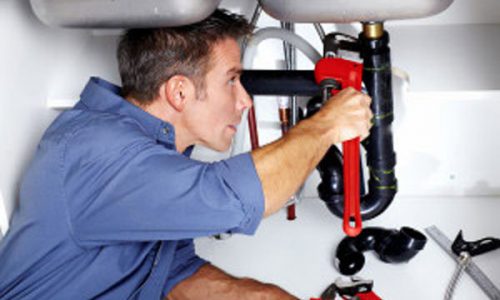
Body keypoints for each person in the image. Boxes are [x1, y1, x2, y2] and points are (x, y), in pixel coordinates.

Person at [0, 9, 372, 300]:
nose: (244, 100)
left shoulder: (150, 154)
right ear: (179, 92)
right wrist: (327, 125)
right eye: (232, 80)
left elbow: (177, 277)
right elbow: (239, 198)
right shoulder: (99, 153)